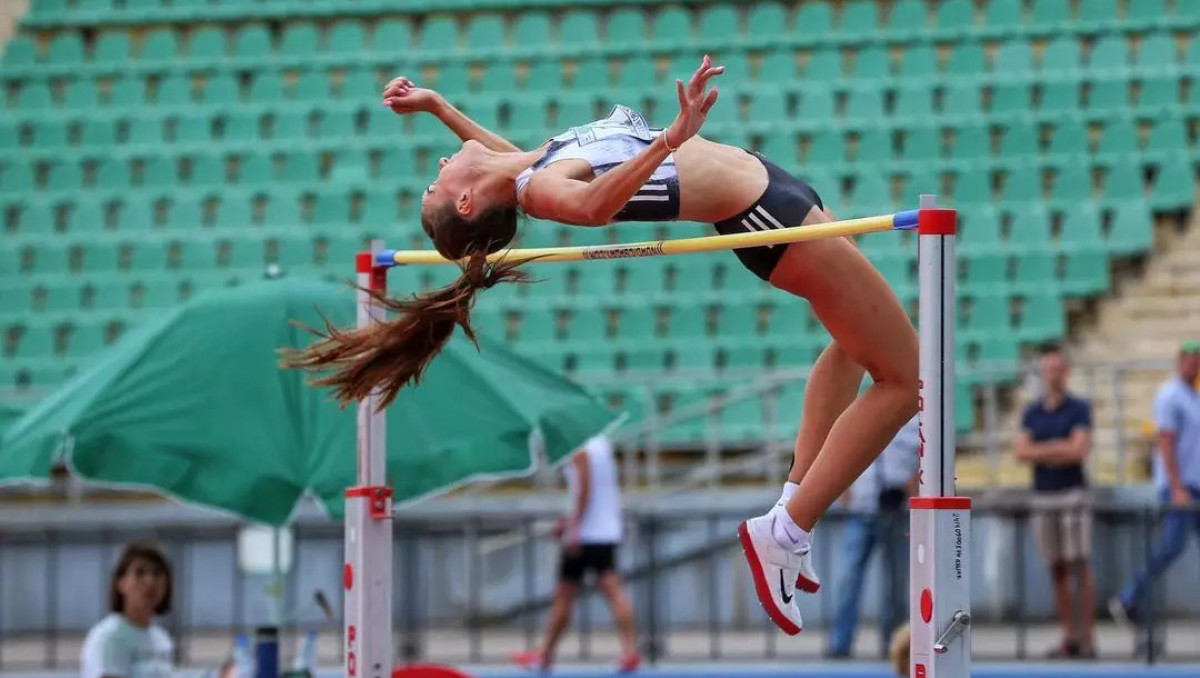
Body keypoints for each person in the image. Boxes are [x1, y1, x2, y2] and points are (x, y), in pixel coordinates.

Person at [282, 55, 920, 635]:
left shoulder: (527, 168)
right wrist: (672, 137)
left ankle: (790, 506)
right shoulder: (541, 186)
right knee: (906, 382)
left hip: (771, 188)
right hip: (764, 216)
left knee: (852, 344)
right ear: (469, 201)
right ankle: (785, 528)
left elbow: (499, 158)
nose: (440, 167)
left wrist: (439, 106)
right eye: (436, 185)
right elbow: (587, 207)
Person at [511, 435, 638, 672]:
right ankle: (629, 651)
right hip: (603, 531)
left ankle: (545, 654)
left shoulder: (580, 448)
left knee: (566, 594)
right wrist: (569, 523)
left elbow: (585, 489)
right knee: (610, 591)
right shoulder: (601, 444)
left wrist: (574, 528)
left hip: (587, 534)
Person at [1109, 341, 1200, 631]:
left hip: (1194, 483)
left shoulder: (1192, 396)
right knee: (1171, 545)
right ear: (1180, 361)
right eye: (1190, 359)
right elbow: (1166, 442)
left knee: (1174, 544)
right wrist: (1176, 486)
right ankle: (1128, 596)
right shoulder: (1170, 395)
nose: (1194, 365)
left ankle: (1130, 595)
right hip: (1181, 485)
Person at [1014, 344, 1096, 659]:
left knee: (1080, 565)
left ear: (1066, 372)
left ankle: (1088, 637)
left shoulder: (1079, 408)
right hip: (1043, 495)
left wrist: (1042, 451)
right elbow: (1022, 452)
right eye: (1048, 369)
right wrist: (1058, 448)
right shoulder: (1032, 412)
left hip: (1072, 493)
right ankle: (1069, 635)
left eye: (1058, 369)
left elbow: (1078, 450)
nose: (1053, 375)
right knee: (1057, 568)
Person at [827, 415, 919, 659]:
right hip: (862, 508)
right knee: (848, 578)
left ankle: (894, 645)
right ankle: (840, 643)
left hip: (897, 509)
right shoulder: (860, 411)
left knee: (896, 582)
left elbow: (930, 461)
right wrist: (842, 488)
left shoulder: (917, 417)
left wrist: (909, 488)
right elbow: (840, 451)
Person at [81, 541, 175, 678]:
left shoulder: (161, 639)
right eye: (140, 573)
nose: (150, 581)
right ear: (121, 583)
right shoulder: (110, 637)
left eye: (157, 573)